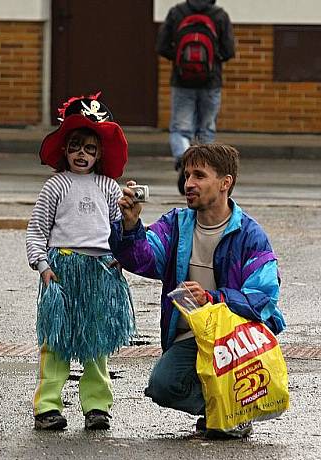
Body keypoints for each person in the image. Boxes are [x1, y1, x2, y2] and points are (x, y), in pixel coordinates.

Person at [109, 143, 284, 438]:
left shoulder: (250, 235)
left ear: (225, 183)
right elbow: (144, 259)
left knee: (208, 385)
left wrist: (212, 298)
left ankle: (236, 410)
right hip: (191, 336)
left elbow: (263, 296)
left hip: (235, 340)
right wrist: (130, 227)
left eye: (199, 176)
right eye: (187, 175)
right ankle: (222, 410)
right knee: (163, 386)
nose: (189, 184)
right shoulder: (176, 223)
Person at [27, 94, 135, 431]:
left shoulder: (108, 187)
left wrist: (120, 258)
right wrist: (43, 266)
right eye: (75, 146)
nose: (82, 154)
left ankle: (97, 406)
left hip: (100, 272)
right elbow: (36, 232)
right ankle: (47, 406)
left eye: (90, 148)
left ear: (100, 153)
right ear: (64, 149)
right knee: (56, 341)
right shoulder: (55, 185)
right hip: (61, 271)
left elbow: (120, 229)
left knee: (97, 342)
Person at [156, 0, 235, 195]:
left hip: (182, 80)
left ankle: (185, 163)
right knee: (206, 129)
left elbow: (162, 46)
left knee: (180, 129)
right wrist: (212, 60)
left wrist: (180, 60)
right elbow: (229, 51)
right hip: (211, 81)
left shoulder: (177, 12)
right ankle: (202, 171)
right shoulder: (219, 15)